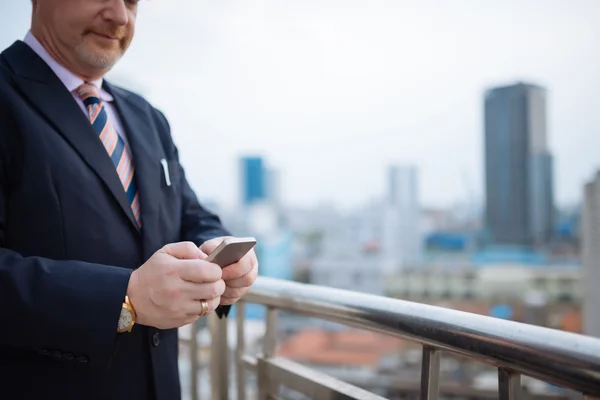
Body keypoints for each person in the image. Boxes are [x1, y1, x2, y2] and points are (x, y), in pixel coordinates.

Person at [0, 1, 259, 399]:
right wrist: (126, 297)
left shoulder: (146, 116)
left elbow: (189, 213)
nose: (120, 16)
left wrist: (222, 251)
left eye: (132, 1)